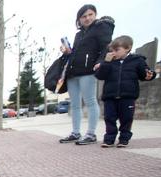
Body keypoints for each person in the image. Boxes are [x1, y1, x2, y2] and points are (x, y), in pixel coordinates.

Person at [59, 4, 115, 145]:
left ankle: (91, 133)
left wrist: (101, 61)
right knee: (75, 105)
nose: (87, 18)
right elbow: (76, 52)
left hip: (88, 71)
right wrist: (67, 52)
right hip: (73, 72)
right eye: (83, 16)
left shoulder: (101, 28)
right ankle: (76, 132)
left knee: (90, 101)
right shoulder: (79, 34)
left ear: (95, 15)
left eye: (90, 15)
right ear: (79, 19)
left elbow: (106, 47)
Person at [94, 35, 156, 148]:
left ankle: (124, 139)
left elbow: (145, 74)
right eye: (112, 50)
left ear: (128, 48)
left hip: (128, 96)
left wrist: (150, 74)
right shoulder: (109, 62)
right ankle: (109, 139)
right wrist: (106, 62)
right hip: (110, 96)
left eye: (117, 50)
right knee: (109, 118)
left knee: (126, 118)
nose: (114, 53)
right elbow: (100, 75)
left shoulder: (137, 60)